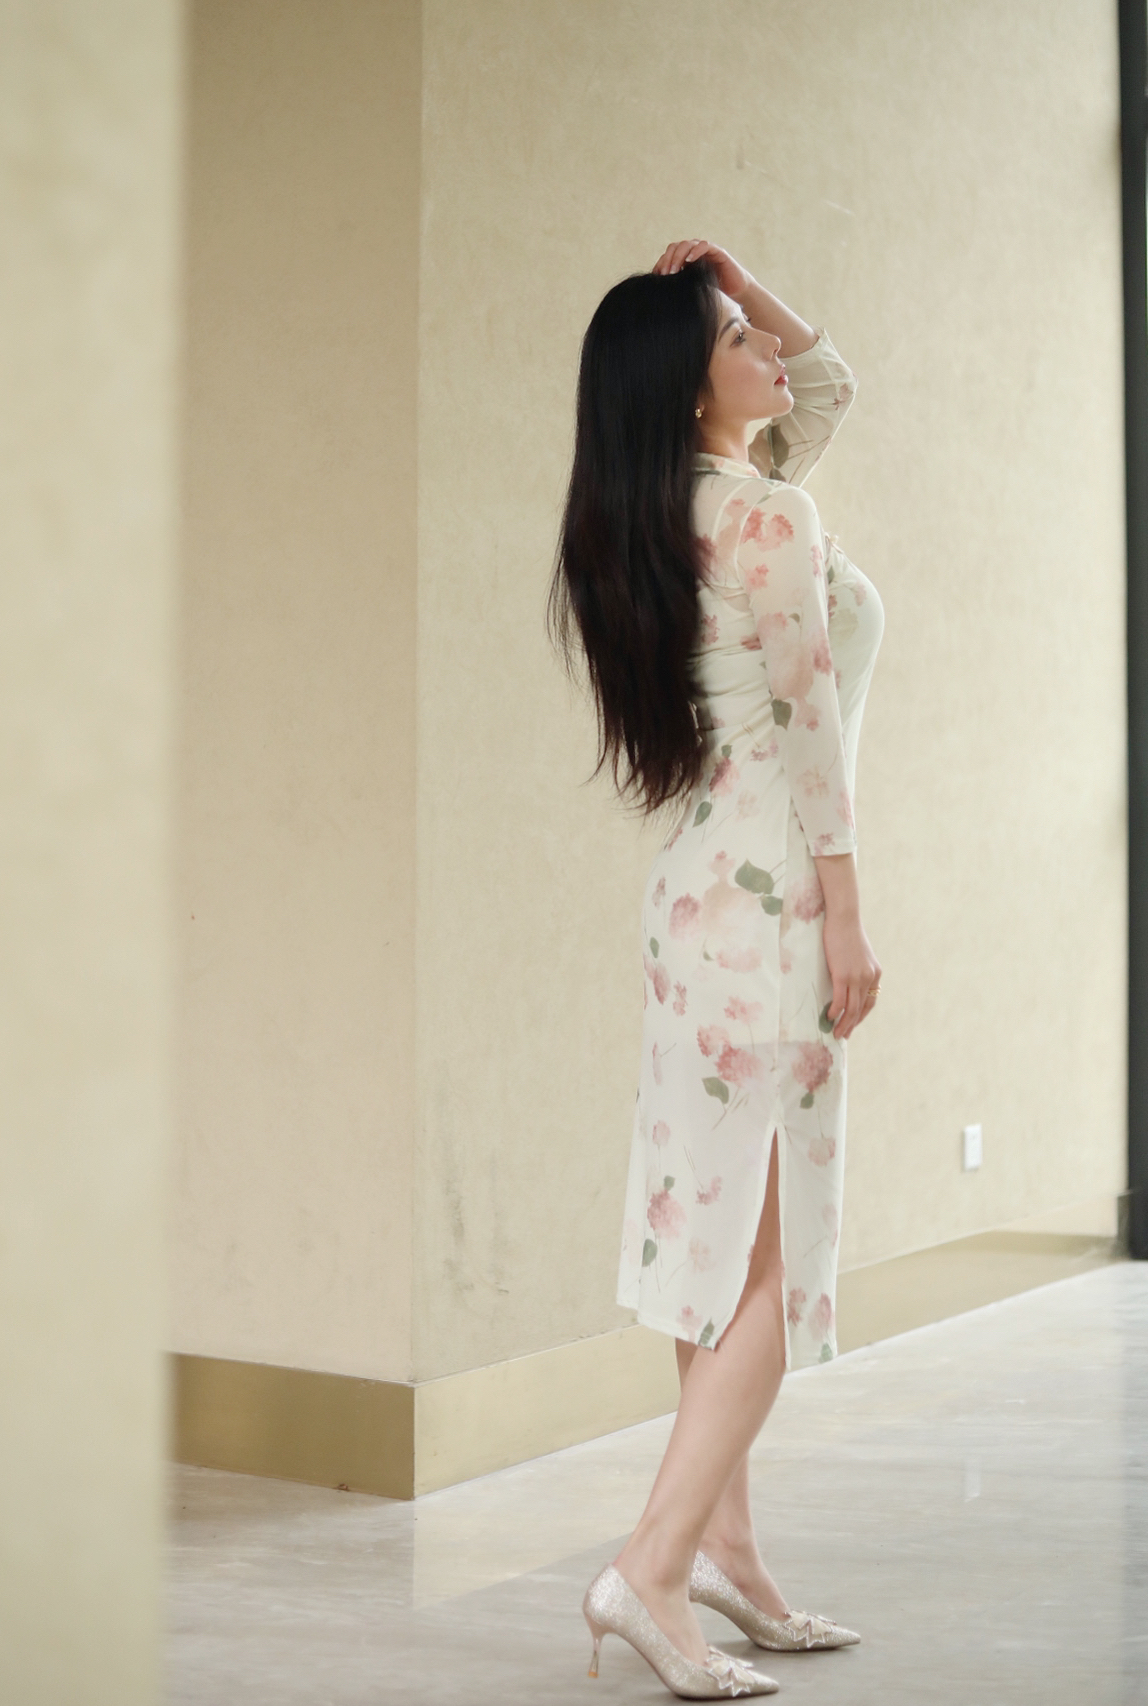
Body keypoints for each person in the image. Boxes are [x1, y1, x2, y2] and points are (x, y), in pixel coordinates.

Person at [548, 238, 885, 1698]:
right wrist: (848, 915)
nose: (771, 349)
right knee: (768, 1267)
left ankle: (729, 1552)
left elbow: (827, 382)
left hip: (691, 904)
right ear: (695, 386)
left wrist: (734, 281)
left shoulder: (660, 509)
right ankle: (652, 1566)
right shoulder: (768, 513)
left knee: (711, 1254)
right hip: (773, 906)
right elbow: (810, 728)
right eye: (738, 336)